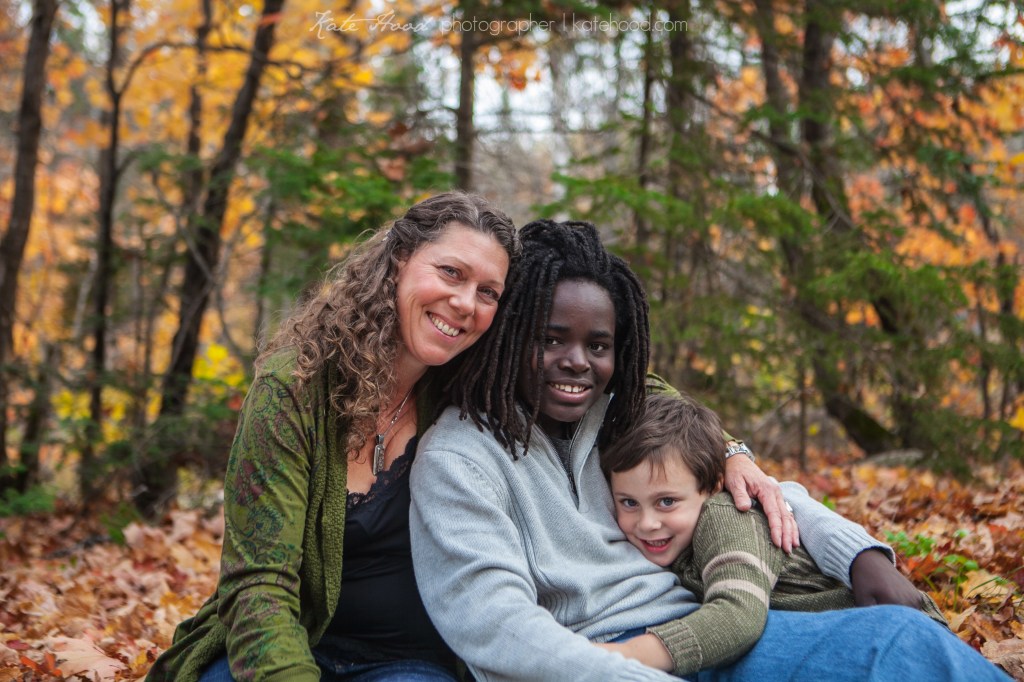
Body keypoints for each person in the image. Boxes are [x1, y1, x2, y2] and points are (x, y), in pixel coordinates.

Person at [409, 218, 1010, 681]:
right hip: (599, 659)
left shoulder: (626, 413)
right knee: (897, 651)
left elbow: (761, 495)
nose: (577, 362)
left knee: (903, 643)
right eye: (550, 339)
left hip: (711, 628)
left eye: (599, 345)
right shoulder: (459, 460)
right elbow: (493, 626)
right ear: (509, 334)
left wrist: (861, 558)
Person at [146, 192, 520, 682]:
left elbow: (595, 368)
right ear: (399, 261)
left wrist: (657, 402)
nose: (466, 302)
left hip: (407, 664)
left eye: (488, 292)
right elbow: (259, 583)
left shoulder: (470, 387)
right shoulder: (296, 387)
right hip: (281, 642)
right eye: (451, 272)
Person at [601, 393, 949, 676]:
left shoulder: (726, 517)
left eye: (666, 501)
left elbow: (737, 616)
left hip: (893, 643)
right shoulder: (675, 537)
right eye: (629, 502)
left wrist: (623, 654)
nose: (646, 523)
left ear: (712, 487)